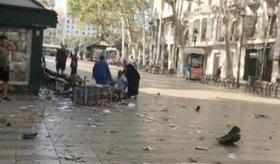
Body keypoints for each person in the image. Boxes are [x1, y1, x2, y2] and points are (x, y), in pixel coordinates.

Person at [0, 35, 16, 101]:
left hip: (6, 67)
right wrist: (3, 55)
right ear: (0, 41)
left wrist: (9, 43)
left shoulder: (7, 47)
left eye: (6, 41)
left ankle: (5, 96)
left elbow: (14, 48)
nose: (5, 42)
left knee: (5, 81)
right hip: (0, 66)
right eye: (3, 41)